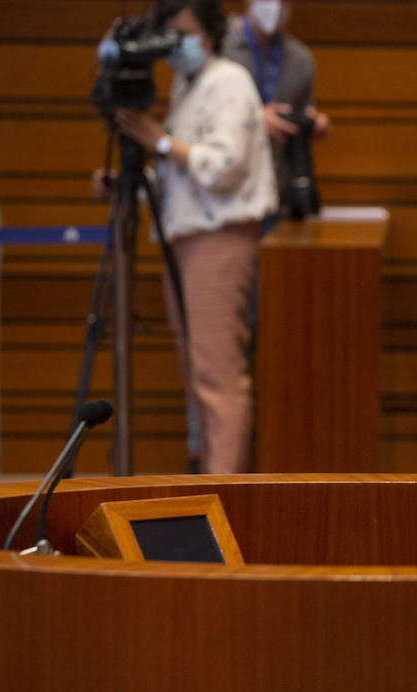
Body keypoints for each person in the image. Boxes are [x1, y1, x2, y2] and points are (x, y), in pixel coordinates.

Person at [96, 0, 277, 473]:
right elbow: (182, 177)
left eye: (183, 33)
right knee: (198, 373)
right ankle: (207, 474)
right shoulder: (188, 85)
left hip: (219, 239)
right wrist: (132, 183)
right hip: (186, 237)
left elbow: (223, 169)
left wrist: (156, 139)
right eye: (168, 35)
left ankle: (225, 489)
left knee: (217, 376)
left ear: (209, 33)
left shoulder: (229, 81)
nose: (174, 46)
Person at [220, 0, 330, 220]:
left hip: (277, 195)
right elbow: (194, 116)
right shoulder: (216, 46)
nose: (276, 6)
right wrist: (254, 120)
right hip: (226, 194)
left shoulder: (300, 59)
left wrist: (311, 124)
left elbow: (303, 116)